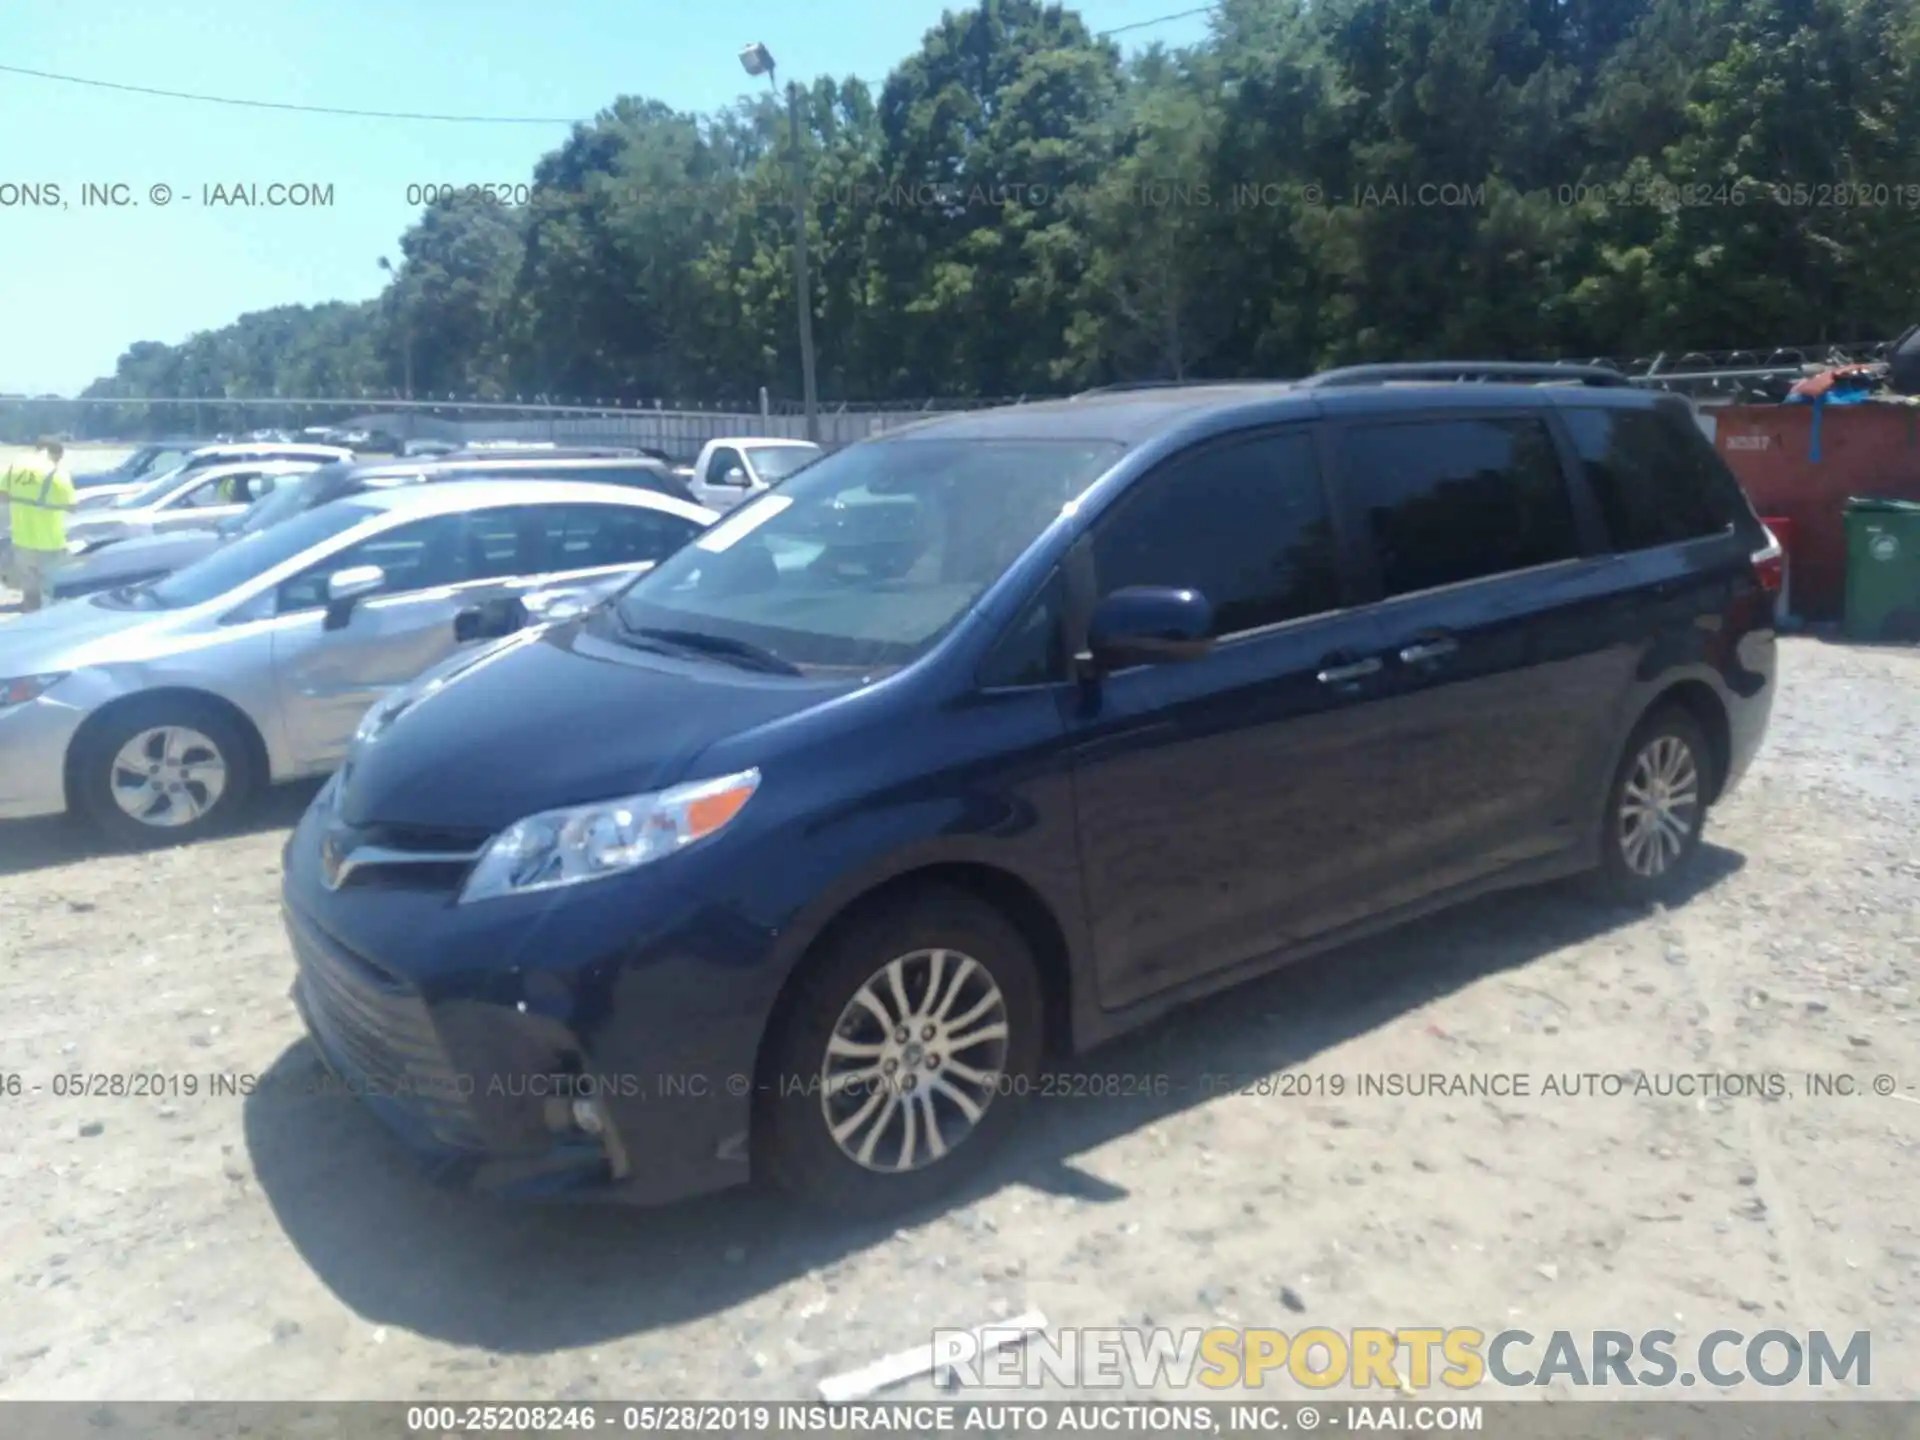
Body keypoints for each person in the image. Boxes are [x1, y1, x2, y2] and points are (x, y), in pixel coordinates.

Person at [2, 438, 77, 612]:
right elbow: (72, 506)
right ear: (55, 454)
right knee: (49, 591)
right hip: (50, 542)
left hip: (23, 540)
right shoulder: (57, 473)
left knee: (30, 589)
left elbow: (3, 496)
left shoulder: (16, 468)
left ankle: (30, 619)